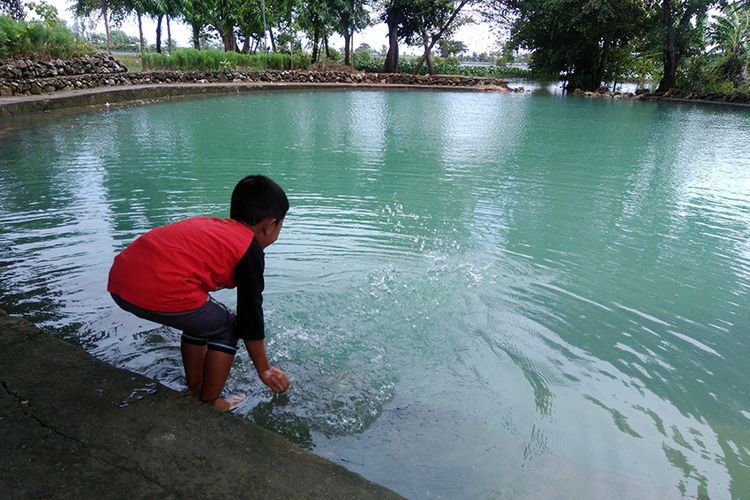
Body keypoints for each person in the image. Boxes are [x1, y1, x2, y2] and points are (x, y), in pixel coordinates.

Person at [108, 175, 290, 411]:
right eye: (281, 225)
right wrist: (263, 368)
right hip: (155, 288)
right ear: (269, 224)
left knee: (204, 320)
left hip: (120, 279)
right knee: (228, 328)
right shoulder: (248, 249)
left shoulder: (216, 229)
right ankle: (210, 402)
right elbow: (250, 316)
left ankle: (195, 390)